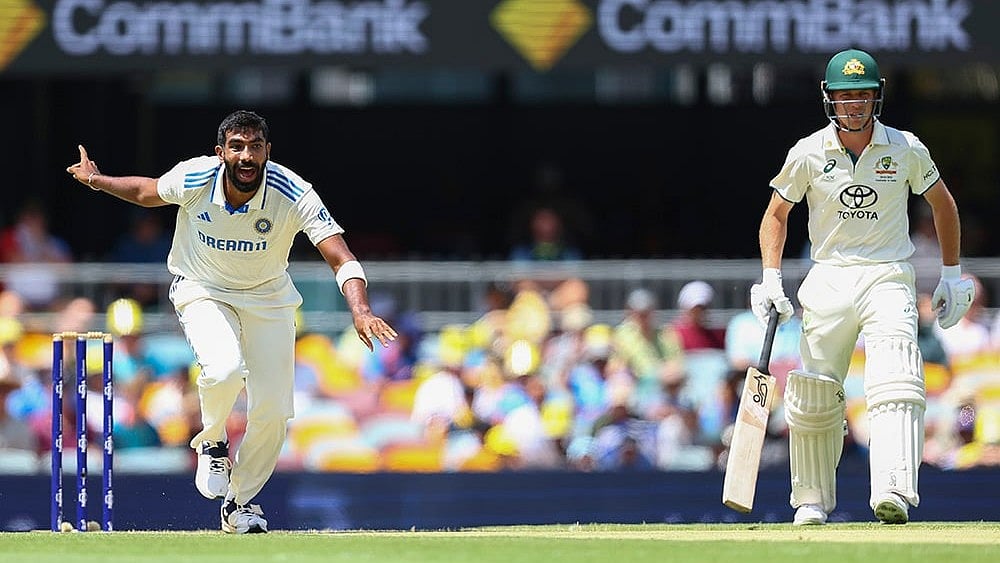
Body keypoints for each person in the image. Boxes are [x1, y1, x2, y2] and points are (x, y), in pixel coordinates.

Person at [65, 110, 398, 534]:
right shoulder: (196, 177)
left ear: (267, 151)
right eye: (237, 147)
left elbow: (340, 256)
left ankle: (239, 503)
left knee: (274, 412)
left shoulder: (293, 191)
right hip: (202, 288)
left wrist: (361, 309)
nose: (246, 156)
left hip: (268, 298)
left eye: (255, 147)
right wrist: (96, 180)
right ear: (220, 152)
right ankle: (213, 440)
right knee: (223, 369)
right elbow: (148, 192)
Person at [753, 49, 975, 526]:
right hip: (829, 275)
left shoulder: (905, 147)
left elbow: (943, 204)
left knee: (896, 376)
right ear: (829, 98)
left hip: (887, 273)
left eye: (862, 95)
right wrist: (770, 278)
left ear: (877, 97)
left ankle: (893, 488)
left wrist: (952, 274)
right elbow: (776, 214)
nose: (854, 104)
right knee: (815, 392)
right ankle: (811, 500)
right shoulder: (808, 152)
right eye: (845, 95)